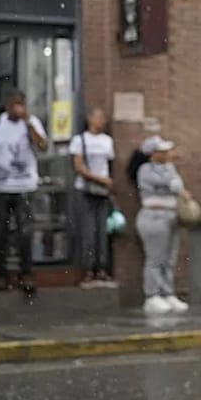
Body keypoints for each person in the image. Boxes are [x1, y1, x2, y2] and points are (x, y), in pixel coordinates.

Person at [0, 91, 47, 295]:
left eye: (21, 104)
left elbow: (42, 145)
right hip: (0, 187)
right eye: (14, 104)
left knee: (25, 232)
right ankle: (0, 275)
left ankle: (26, 274)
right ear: (7, 105)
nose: (18, 108)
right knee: (0, 233)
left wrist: (28, 124)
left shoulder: (31, 123)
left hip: (25, 187)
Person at [135, 136, 189, 314]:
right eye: (163, 151)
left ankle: (167, 293)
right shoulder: (145, 170)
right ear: (153, 153)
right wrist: (174, 184)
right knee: (155, 258)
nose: (167, 154)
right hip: (153, 217)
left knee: (169, 258)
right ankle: (152, 295)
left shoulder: (170, 167)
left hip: (171, 216)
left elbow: (178, 184)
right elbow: (170, 184)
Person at [69, 108, 117, 288]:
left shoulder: (107, 141)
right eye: (98, 117)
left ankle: (102, 268)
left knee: (101, 230)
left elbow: (109, 163)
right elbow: (78, 166)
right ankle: (88, 269)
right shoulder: (80, 140)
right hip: (86, 189)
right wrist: (99, 179)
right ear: (90, 119)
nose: (102, 121)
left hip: (103, 191)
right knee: (88, 230)